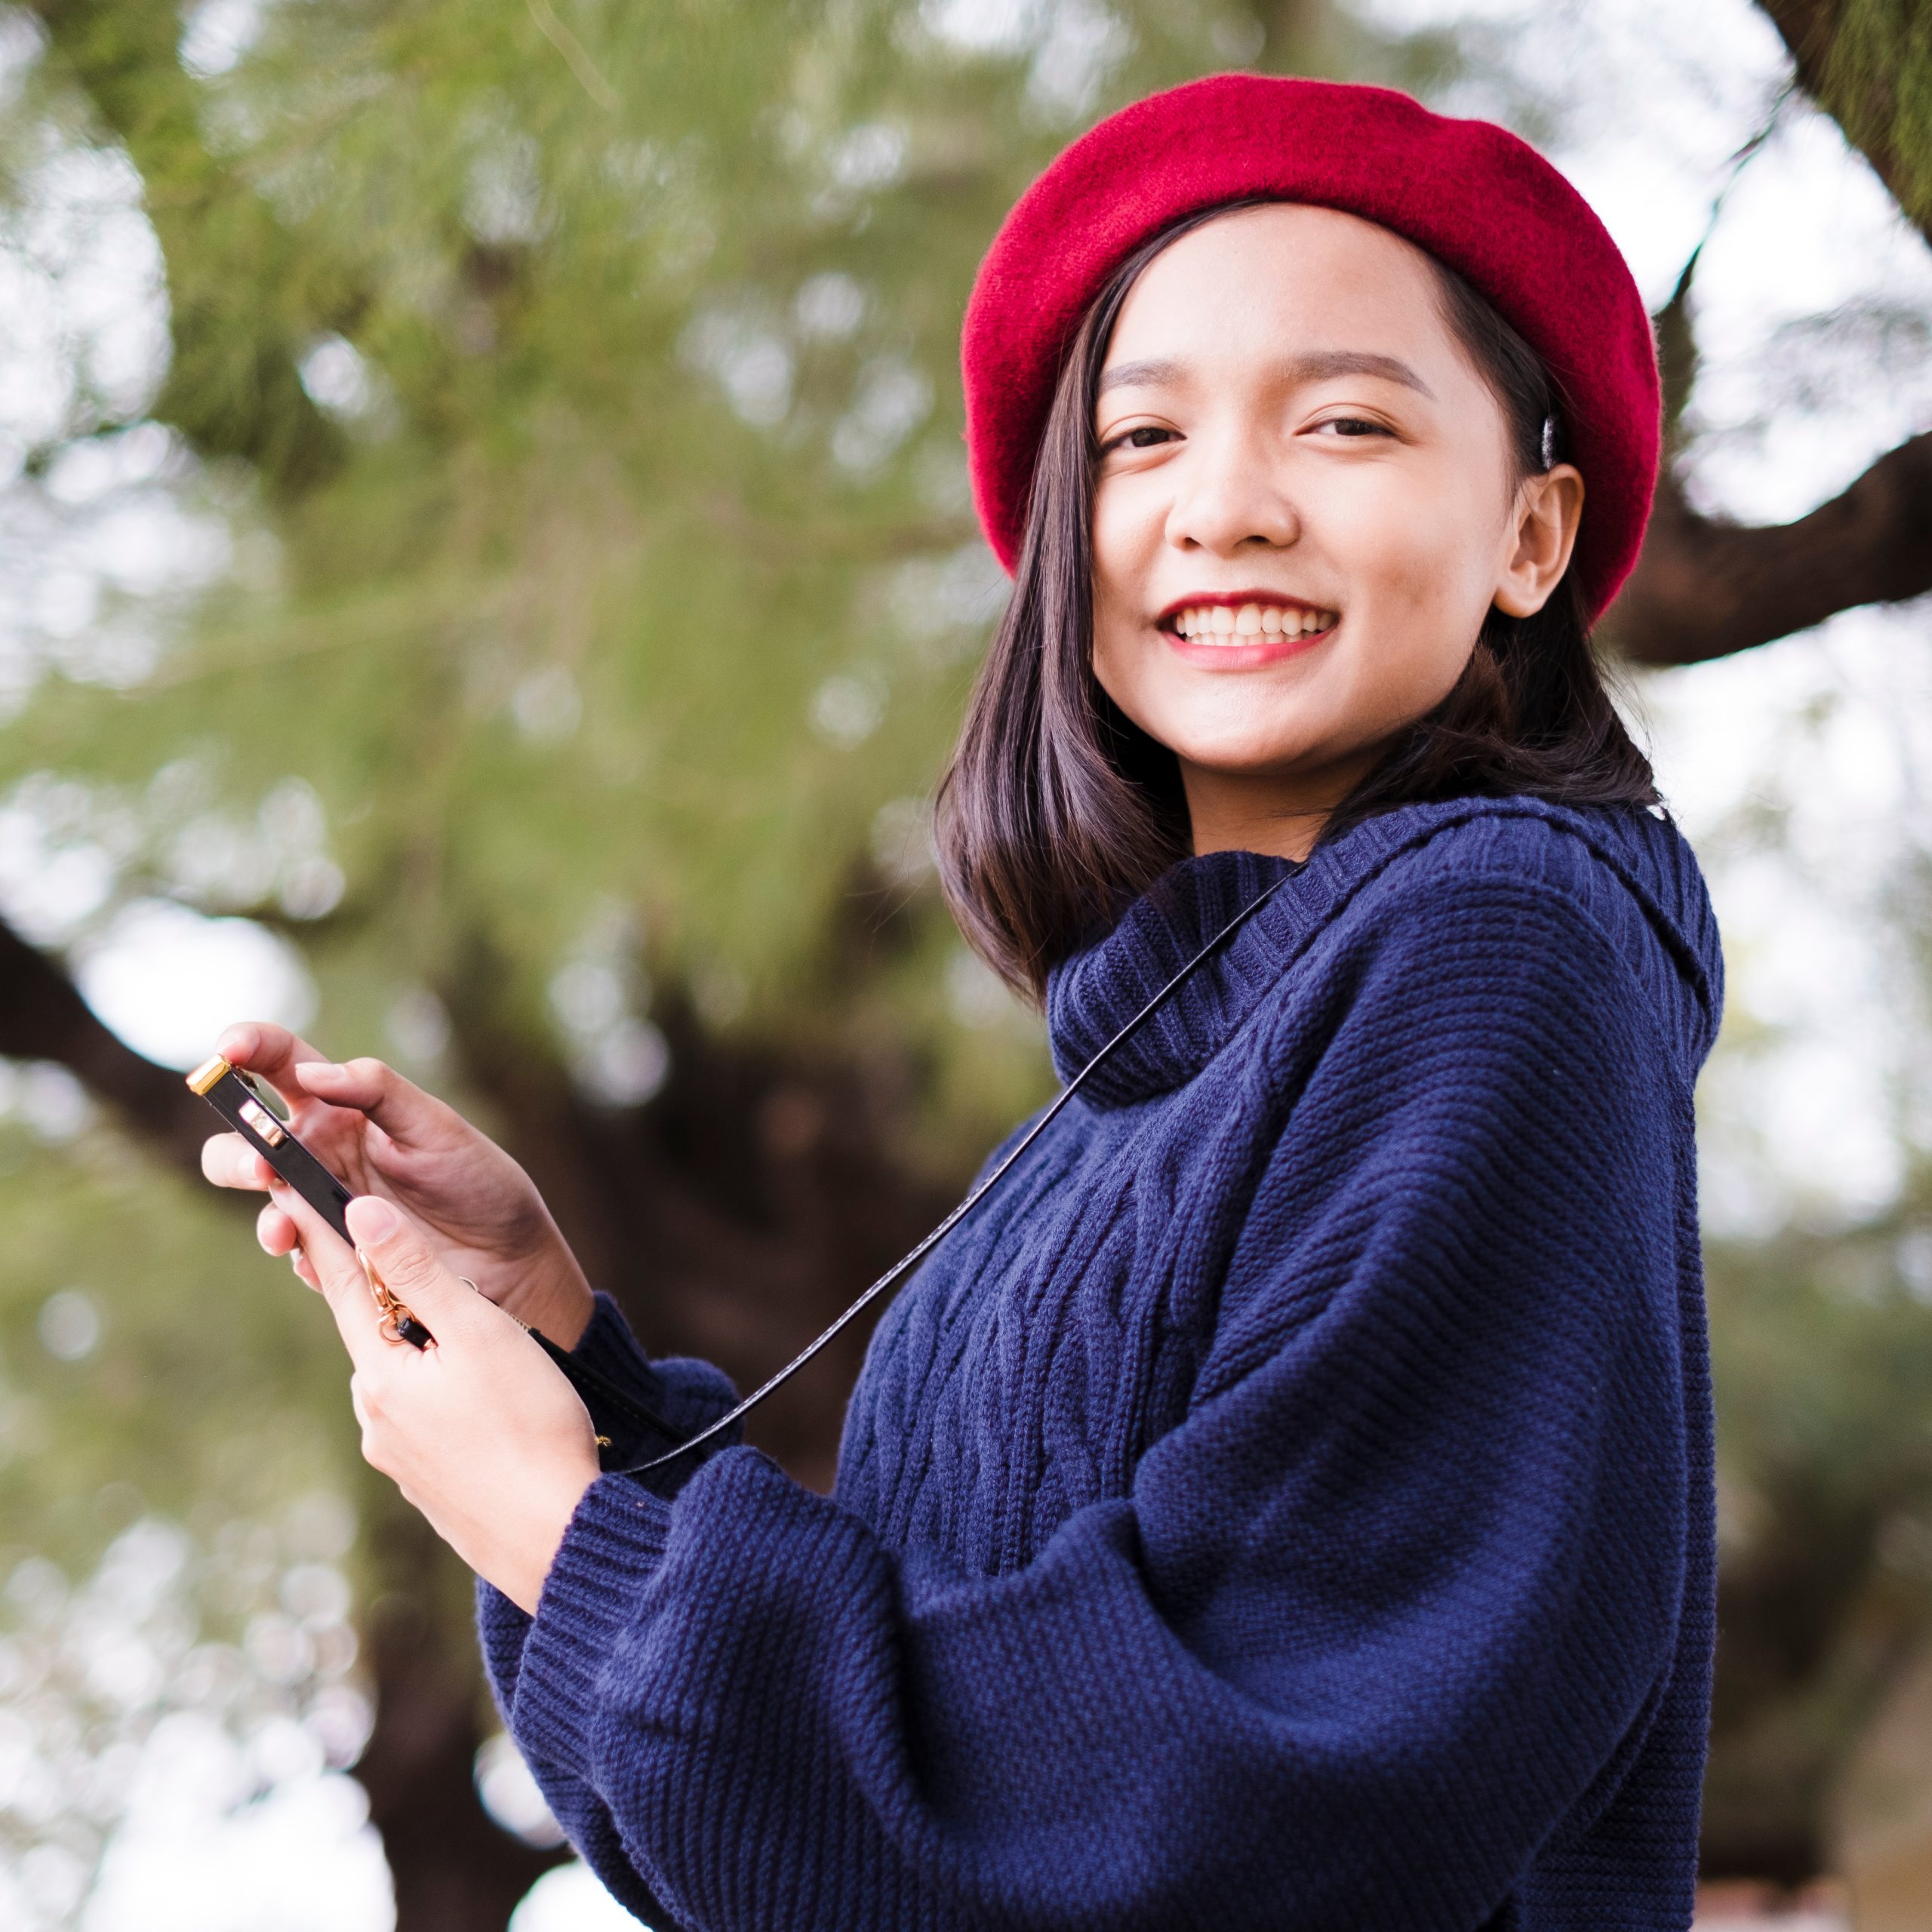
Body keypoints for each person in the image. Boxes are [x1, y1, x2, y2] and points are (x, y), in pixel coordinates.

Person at [202, 74, 1723, 1932]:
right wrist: (563, 1360)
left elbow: (1253, 1786)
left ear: (1530, 535)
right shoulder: (1133, 1086)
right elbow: (833, 1842)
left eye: (1340, 420)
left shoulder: (1493, 943)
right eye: (1140, 439)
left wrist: (562, 1531)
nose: (1224, 507)